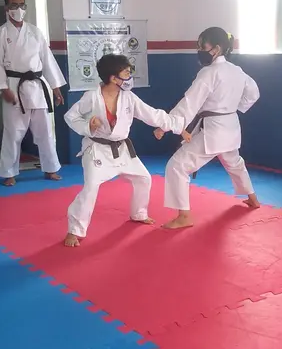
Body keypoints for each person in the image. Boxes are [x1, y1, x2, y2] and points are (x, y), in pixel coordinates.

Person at [63, 54, 188, 247]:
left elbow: (153, 115)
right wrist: (88, 125)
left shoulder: (129, 97)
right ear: (114, 78)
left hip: (122, 149)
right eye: (127, 73)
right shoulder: (91, 97)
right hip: (97, 150)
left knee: (144, 178)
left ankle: (139, 213)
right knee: (91, 187)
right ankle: (74, 230)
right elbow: (70, 117)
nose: (130, 77)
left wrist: (178, 127)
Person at [154, 27, 261, 229]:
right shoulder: (236, 70)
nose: (199, 50)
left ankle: (184, 216)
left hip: (214, 130)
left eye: (202, 46)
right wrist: (234, 107)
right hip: (230, 125)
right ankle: (253, 198)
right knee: (234, 163)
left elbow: (189, 103)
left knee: (177, 166)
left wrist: (166, 125)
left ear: (216, 49)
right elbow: (253, 93)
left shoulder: (209, 73)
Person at [0, 0, 67, 186]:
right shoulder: (0, 34)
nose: (19, 9)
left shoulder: (35, 32)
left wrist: (55, 86)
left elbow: (47, 60)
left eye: (22, 5)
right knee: (13, 132)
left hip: (38, 87)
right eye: (14, 5)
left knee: (45, 131)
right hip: (14, 87)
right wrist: (3, 88)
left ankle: (50, 168)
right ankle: (8, 173)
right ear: (6, 8)